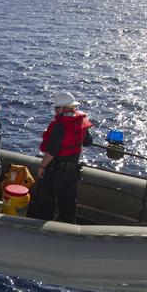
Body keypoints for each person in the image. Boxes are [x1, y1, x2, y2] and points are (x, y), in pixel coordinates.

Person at [28, 91, 94, 223]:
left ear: (62, 108)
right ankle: (69, 229)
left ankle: (42, 230)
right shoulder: (81, 123)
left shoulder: (59, 126)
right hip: (72, 171)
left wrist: (42, 167)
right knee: (68, 204)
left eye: (56, 108)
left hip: (55, 171)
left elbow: (51, 152)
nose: (55, 111)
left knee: (46, 202)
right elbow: (88, 142)